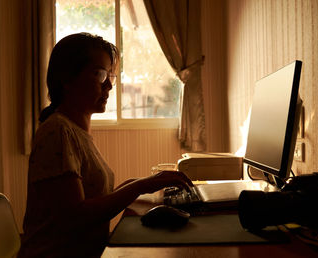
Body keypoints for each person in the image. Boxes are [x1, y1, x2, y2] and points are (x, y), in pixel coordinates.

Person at [18, 33, 193, 258]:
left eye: (111, 75)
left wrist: (149, 182)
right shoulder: (58, 131)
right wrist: (142, 186)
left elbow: (95, 197)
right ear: (67, 79)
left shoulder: (76, 132)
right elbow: (76, 216)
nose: (109, 85)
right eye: (100, 74)